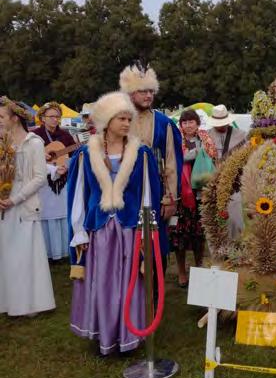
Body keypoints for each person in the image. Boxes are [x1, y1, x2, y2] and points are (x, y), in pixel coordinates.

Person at [68, 91, 161, 355]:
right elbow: (79, 194)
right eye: (121, 118)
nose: (126, 123)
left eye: (128, 119)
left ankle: (128, 335)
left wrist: (147, 232)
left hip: (130, 228)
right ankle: (104, 333)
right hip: (100, 230)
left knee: (128, 283)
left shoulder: (140, 153)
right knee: (103, 282)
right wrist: (79, 231)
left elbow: (147, 195)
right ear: (107, 120)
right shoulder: (87, 154)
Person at [119, 63, 183, 259]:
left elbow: (172, 162)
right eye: (142, 91)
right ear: (131, 94)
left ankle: (156, 289)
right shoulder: (117, 120)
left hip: (154, 194)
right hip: (123, 193)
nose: (148, 96)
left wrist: (170, 199)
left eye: (151, 91)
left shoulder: (164, 123)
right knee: (125, 244)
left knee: (156, 245)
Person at [0, 97, 56, 317]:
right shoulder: (2, 142)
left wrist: (16, 198)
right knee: (7, 255)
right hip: (4, 203)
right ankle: (8, 301)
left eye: (2, 117)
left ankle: (29, 304)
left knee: (24, 255)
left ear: (15, 118)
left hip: (24, 205)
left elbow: (40, 178)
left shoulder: (34, 142)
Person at [170, 109, 216, 287]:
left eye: (191, 121)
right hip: (181, 194)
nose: (188, 125)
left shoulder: (205, 138)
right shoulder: (175, 140)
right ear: (180, 125)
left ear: (197, 123)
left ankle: (199, 268)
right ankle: (182, 272)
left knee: (199, 235)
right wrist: (197, 153)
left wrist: (195, 154)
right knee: (179, 235)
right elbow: (176, 159)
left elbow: (212, 156)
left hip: (200, 194)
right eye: (185, 122)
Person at [32, 101, 77, 261]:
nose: (55, 120)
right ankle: (49, 253)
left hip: (63, 179)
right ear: (43, 118)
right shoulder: (35, 136)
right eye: (51, 117)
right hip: (43, 183)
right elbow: (30, 157)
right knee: (47, 213)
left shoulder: (65, 135)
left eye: (57, 117)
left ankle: (64, 251)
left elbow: (75, 155)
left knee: (63, 212)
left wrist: (67, 164)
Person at [207, 105, 246, 239]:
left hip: (234, 184)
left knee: (235, 219)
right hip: (212, 184)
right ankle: (218, 252)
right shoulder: (206, 137)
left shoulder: (241, 135)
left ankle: (237, 250)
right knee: (214, 222)